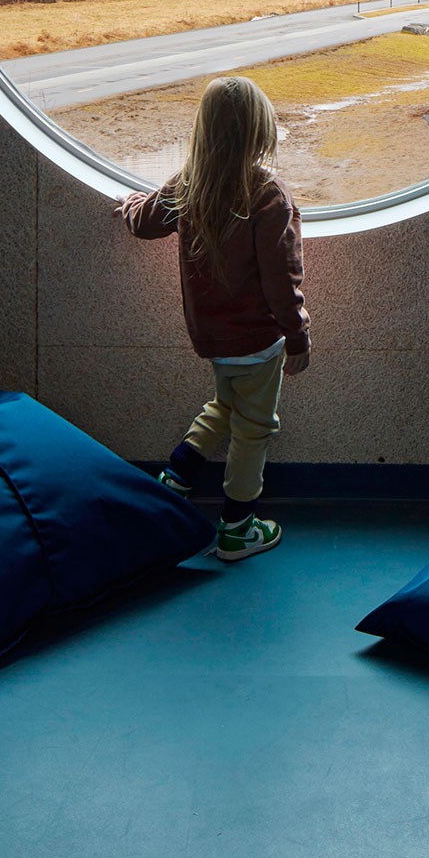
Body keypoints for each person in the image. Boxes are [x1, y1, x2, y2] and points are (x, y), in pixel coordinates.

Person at [120, 73, 310, 563]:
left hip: (211, 336)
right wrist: (298, 338)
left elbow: (144, 223)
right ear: (261, 131)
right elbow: (282, 281)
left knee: (227, 405)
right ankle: (236, 528)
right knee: (255, 429)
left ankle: (178, 475)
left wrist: (128, 207)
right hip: (258, 339)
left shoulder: (191, 183)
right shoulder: (269, 196)